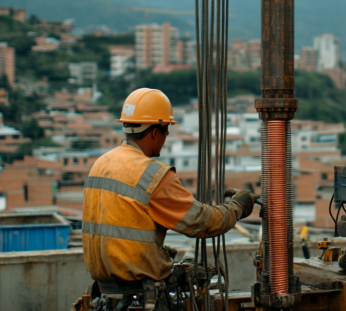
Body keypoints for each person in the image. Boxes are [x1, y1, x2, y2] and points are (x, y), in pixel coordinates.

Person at [82, 88, 256, 307]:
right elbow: (203, 222)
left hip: (104, 298)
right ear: (155, 132)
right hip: (142, 298)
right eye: (166, 132)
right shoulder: (151, 175)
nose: (166, 138)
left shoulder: (101, 164)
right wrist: (238, 206)